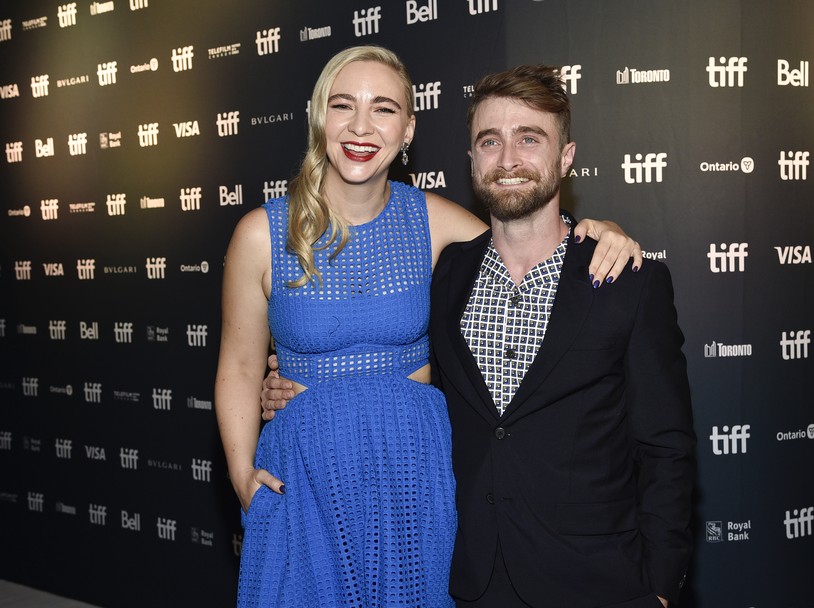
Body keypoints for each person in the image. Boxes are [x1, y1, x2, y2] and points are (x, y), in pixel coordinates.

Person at [216, 46, 641, 607]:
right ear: (320, 115)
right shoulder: (259, 234)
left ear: (409, 127)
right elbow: (241, 366)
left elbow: (532, 242)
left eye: (384, 108)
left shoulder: (437, 222)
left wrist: (600, 230)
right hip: (305, 479)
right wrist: (243, 475)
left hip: (413, 474)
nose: (361, 126)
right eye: (344, 105)